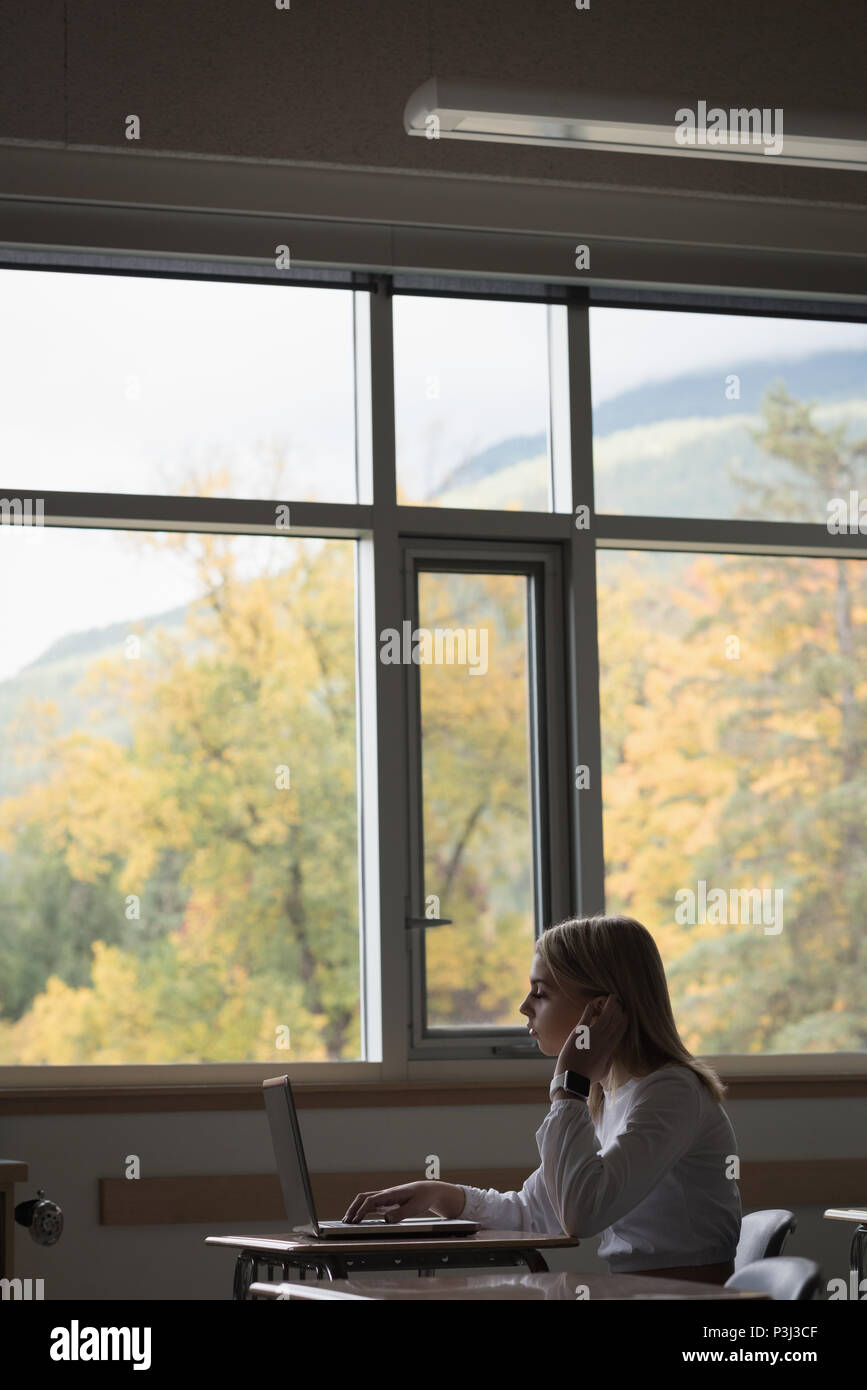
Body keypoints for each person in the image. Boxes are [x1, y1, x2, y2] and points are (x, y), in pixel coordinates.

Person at [343, 914, 742, 1284]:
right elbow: (535, 1212)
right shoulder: (611, 1094)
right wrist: (440, 1194)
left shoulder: (670, 1092)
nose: (524, 1007)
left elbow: (582, 1215)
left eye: (540, 993)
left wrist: (568, 1086)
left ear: (599, 1010)